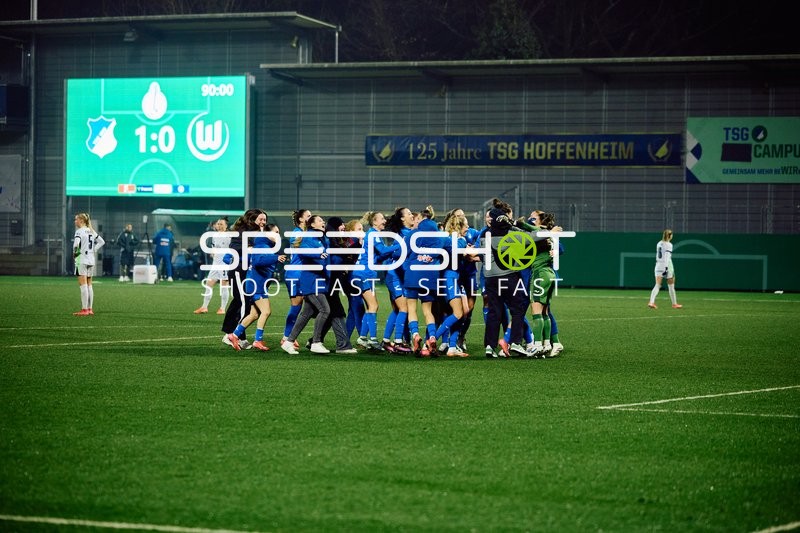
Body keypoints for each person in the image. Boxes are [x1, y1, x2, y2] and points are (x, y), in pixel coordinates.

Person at [227, 223, 284, 352]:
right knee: (266, 311)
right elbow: (258, 262)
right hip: (256, 284)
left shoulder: (264, 246)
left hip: (256, 283)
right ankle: (258, 340)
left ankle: (234, 335)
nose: (278, 235)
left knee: (254, 314)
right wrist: (276, 258)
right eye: (275, 232)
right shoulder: (262, 246)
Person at [281, 215, 333, 355]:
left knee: (306, 313)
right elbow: (302, 251)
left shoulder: (322, 238)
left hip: (320, 279)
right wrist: (318, 254)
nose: (323, 222)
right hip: (311, 279)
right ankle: (316, 342)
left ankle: (289, 341)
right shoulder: (309, 236)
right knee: (325, 310)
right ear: (312, 225)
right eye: (320, 221)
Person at [481, 206, 528, 358]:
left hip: (490, 279)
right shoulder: (511, 235)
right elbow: (533, 237)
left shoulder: (484, 236)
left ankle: (489, 346)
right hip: (509, 277)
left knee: (494, 312)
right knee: (518, 309)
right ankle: (515, 342)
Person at [353, 211, 401, 351]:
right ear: (374, 222)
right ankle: (373, 339)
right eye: (381, 218)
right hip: (362, 273)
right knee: (373, 305)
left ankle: (363, 338)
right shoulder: (373, 234)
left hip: (362, 273)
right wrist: (401, 245)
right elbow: (383, 251)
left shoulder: (373, 234)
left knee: (372, 306)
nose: (384, 220)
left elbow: (379, 256)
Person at [221, 208, 267, 350]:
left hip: (247, 272)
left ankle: (236, 335)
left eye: (265, 219)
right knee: (242, 303)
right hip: (238, 270)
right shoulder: (242, 233)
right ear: (252, 219)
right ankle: (232, 335)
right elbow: (234, 253)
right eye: (260, 219)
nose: (263, 222)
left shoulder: (255, 233)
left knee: (241, 302)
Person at [282, 209, 312, 348]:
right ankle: (287, 336)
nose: (310, 218)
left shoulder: (305, 233)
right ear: (301, 219)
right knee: (296, 306)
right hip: (296, 273)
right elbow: (301, 250)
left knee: (307, 306)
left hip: (302, 273)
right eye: (308, 216)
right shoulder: (297, 233)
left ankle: (290, 336)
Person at [194, 217, 232, 315]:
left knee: (224, 286)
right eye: (218, 224)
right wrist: (213, 252)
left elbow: (233, 249)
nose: (219, 226)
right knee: (209, 284)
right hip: (215, 264)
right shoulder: (215, 235)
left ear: (226, 226)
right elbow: (214, 247)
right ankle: (204, 307)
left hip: (224, 264)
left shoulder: (229, 236)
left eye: (221, 224)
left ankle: (222, 308)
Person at [72, 212, 105, 316]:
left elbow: (76, 245)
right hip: (91, 260)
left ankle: (84, 310)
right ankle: (90, 309)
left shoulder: (79, 232)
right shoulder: (91, 231)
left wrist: (75, 257)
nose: (75, 221)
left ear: (81, 221)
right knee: (89, 285)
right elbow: (102, 242)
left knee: (83, 285)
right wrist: (93, 250)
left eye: (76, 219)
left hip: (82, 259)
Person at [648, 229, 683, 309]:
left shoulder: (659, 243)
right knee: (671, 285)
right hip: (666, 265)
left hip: (658, 264)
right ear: (670, 235)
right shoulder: (669, 245)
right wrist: (666, 268)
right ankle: (674, 304)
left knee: (657, 285)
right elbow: (667, 256)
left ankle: (651, 302)